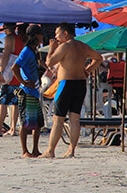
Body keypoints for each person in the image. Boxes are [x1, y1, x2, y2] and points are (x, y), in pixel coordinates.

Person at [40, 22, 102, 158]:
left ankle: (50, 151)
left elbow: (49, 62)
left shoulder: (65, 46)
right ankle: (71, 150)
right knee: (75, 119)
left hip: (66, 84)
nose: (56, 37)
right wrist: (88, 70)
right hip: (80, 84)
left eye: (57, 34)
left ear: (65, 33)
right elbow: (98, 58)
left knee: (58, 119)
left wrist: (51, 49)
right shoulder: (82, 46)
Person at [0, 23, 26, 138]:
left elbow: (7, 55)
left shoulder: (10, 38)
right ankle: (13, 128)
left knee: (3, 102)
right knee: (15, 103)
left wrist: (0, 71)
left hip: (9, 72)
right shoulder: (20, 39)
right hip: (17, 72)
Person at [11, 24, 45, 157]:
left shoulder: (33, 50)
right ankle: (25, 151)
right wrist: (24, 82)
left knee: (37, 123)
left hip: (34, 91)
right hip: (26, 91)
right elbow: (15, 67)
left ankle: (35, 150)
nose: (43, 36)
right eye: (41, 34)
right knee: (25, 123)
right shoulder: (26, 51)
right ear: (37, 35)